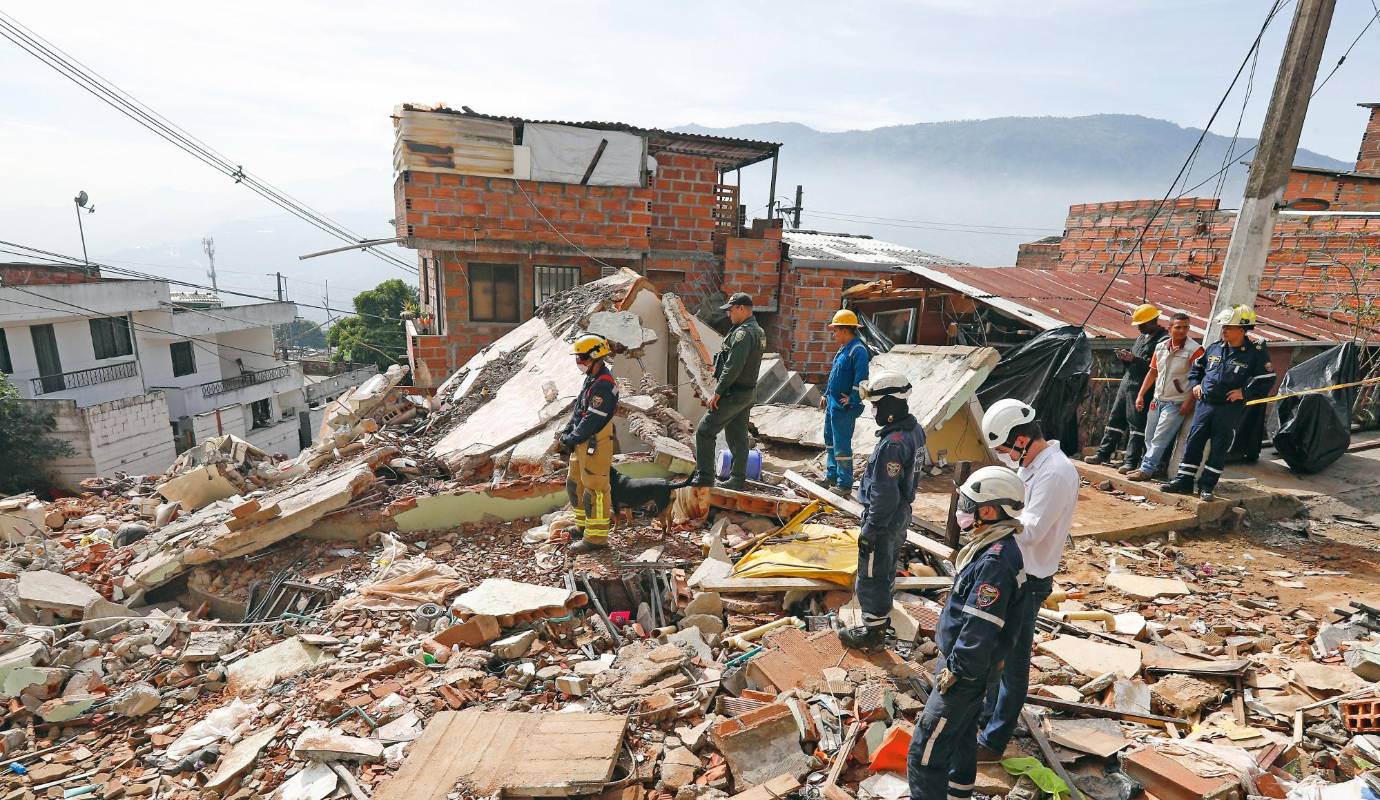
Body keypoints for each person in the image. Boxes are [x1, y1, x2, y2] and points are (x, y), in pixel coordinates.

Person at [906, 466, 1028, 800]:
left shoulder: (995, 561)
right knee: (960, 741)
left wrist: (956, 672)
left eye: (968, 505)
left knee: (925, 754)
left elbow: (979, 628)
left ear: (988, 511)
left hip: (965, 674)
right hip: (977, 671)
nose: (963, 511)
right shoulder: (996, 549)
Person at [975, 398, 1079, 760]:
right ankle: (986, 719)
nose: (1005, 455)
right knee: (994, 653)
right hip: (1015, 571)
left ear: (1021, 439)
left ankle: (994, 740)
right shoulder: (1032, 466)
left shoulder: (1055, 472)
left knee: (1013, 664)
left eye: (1006, 448)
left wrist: (989, 523)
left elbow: (1031, 530)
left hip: (1029, 578)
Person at [840, 370, 927, 651]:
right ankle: (880, 620)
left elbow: (884, 492)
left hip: (884, 519)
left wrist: (871, 529)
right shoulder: (914, 430)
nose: (874, 410)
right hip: (901, 515)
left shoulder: (893, 444)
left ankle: (873, 633)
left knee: (872, 572)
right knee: (886, 568)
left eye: (877, 405)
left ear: (891, 404)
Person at [1161, 305, 1275, 501]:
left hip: (1228, 409)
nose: (1224, 330)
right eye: (1223, 327)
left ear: (1242, 329)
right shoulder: (1214, 347)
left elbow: (1268, 379)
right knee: (1194, 443)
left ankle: (1207, 486)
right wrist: (1196, 385)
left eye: (1229, 327)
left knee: (1219, 447)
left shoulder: (1254, 353)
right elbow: (1198, 369)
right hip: (1204, 405)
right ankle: (1183, 481)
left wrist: (1244, 393)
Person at [692, 292, 766, 491]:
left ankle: (704, 476)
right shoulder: (757, 330)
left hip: (733, 393)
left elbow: (733, 366)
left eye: (731, 310)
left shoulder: (743, 334)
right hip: (747, 392)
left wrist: (718, 391)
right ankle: (737, 478)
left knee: (705, 431)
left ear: (741, 308)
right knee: (738, 436)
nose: (728, 315)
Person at [1086, 304, 1166, 473]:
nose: (1139, 328)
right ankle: (1104, 453)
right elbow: (1135, 361)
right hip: (1127, 383)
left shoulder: (1163, 340)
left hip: (1142, 387)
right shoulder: (1140, 338)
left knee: (1137, 425)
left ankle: (1131, 461)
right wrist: (1125, 358)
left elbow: (1156, 368)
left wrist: (1134, 359)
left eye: (1142, 324)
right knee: (1115, 419)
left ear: (1153, 321)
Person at [558, 334, 619, 554]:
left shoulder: (604, 384)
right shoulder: (591, 378)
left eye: (582, 358)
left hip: (595, 442)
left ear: (595, 356)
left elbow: (592, 419)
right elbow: (580, 410)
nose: (579, 362)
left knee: (596, 490)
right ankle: (583, 525)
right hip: (582, 441)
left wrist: (572, 438)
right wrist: (568, 431)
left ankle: (596, 538)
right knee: (575, 485)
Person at [1126, 313, 1203, 481]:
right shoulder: (1161, 346)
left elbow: (1200, 379)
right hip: (1157, 399)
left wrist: (1189, 402)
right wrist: (1141, 395)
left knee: (1161, 437)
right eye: (1178, 327)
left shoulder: (1195, 350)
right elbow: (1153, 371)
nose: (1183, 330)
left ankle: (1146, 469)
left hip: (1176, 402)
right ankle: (1149, 466)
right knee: (1150, 435)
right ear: (1169, 328)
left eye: (1186, 327)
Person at [821, 309, 871, 492]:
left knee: (841, 444)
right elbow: (834, 376)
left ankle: (844, 484)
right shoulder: (843, 350)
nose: (834, 334)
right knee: (830, 441)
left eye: (835, 330)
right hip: (833, 404)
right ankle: (831, 476)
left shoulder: (858, 351)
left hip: (845, 407)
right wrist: (825, 395)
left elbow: (862, 379)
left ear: (845, 330)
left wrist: (852, 399)